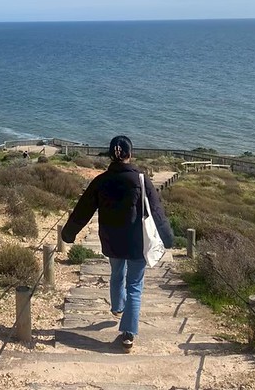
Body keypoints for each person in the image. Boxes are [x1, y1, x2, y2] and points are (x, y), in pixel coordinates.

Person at [61, 135, 174, 353]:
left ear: (110, 155)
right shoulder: (141, 179)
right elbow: (157, 212)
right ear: (130, 154)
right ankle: (128, 335)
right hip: (138, 242)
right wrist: (168, 238)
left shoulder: (101, 180)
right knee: (134, 286)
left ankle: (117, 307)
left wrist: (69, 233)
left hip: (112, 240)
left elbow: (83, 209)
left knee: (116, 273)